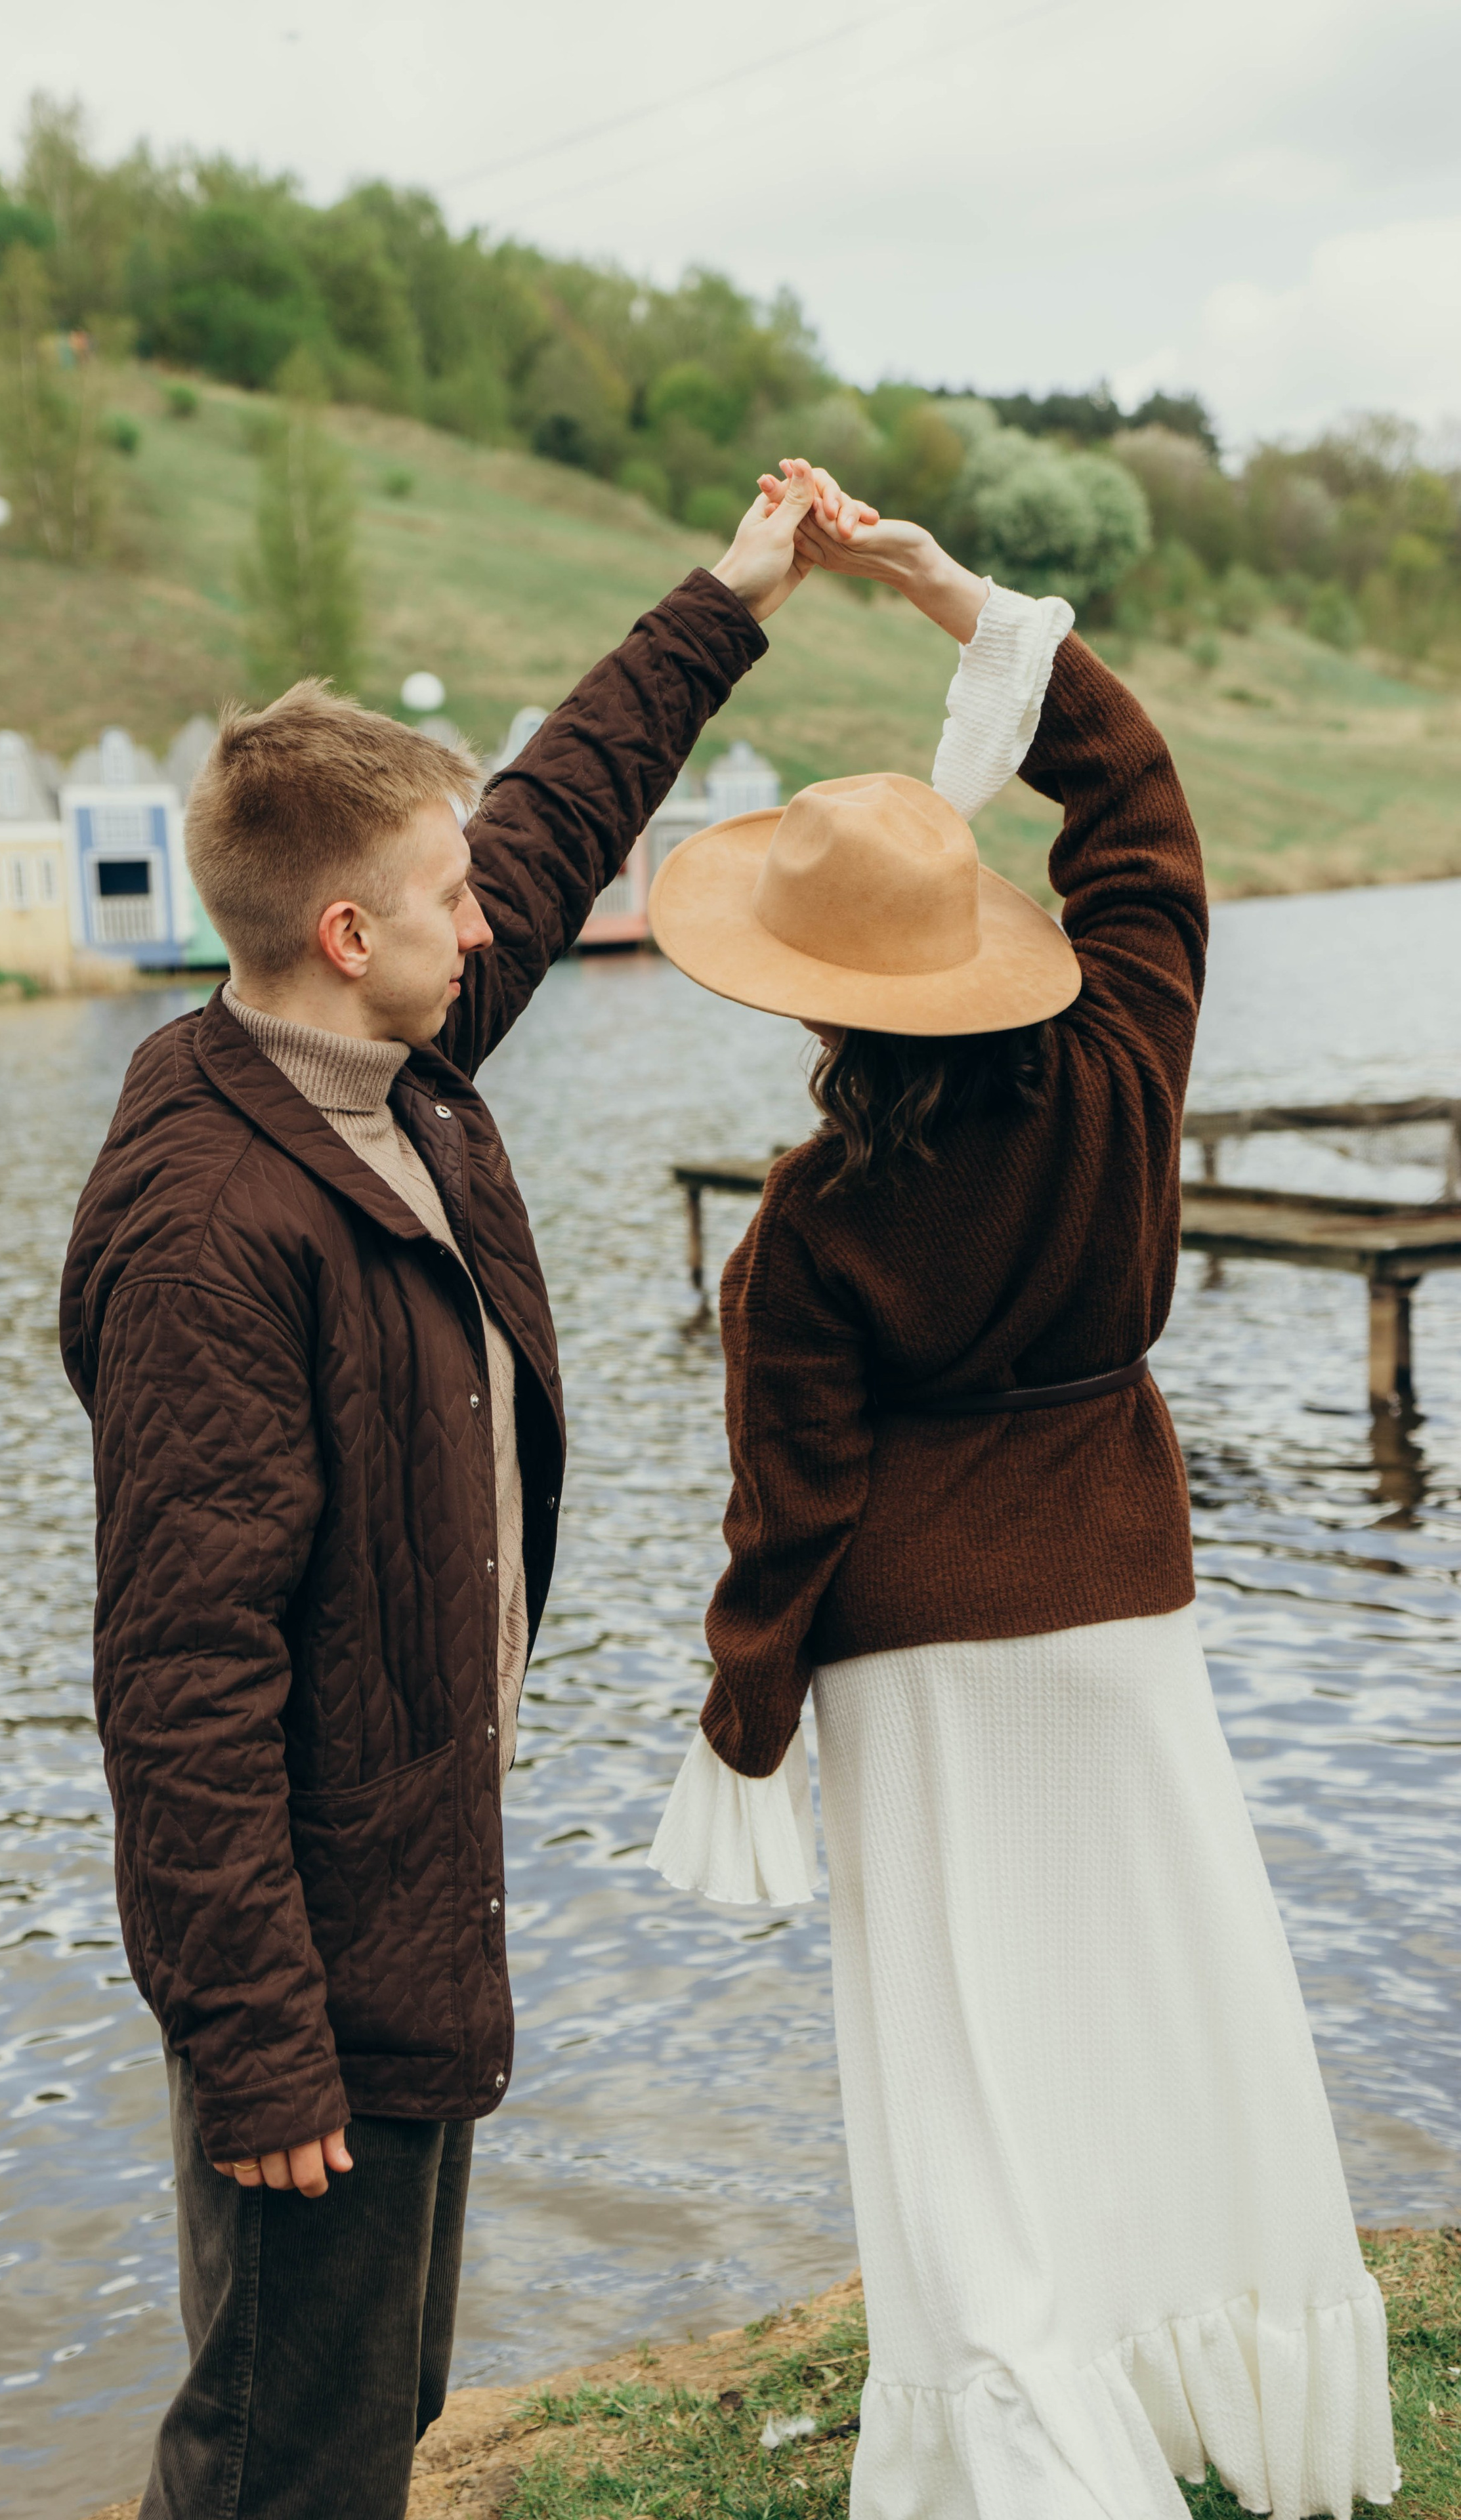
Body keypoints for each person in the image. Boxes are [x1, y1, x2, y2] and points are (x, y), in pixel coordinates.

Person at [59, 463, 824, 2520]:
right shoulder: (219, 1230)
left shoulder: (382, 1068)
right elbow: (180, 1670)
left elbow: (558, 821)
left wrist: (729, 598)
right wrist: (256, 2043)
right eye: (448, 900)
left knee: (370, 2419)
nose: (490, 922)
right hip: (302, 1945)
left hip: (406, 1889)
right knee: (274, 2456)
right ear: (341, 933)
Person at [648, 481, 1400, 2520]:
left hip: (921, 1671)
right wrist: (943, 591)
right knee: (1164, 2000)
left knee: (970, 2074)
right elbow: (1137, 797)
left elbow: (790, 1512)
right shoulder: (1129, 1059)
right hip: (1123, 1621)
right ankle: (1210, 2394)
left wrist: (744, 1725)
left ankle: (1028, 2427)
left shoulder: (805, 1237)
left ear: (810, 995)